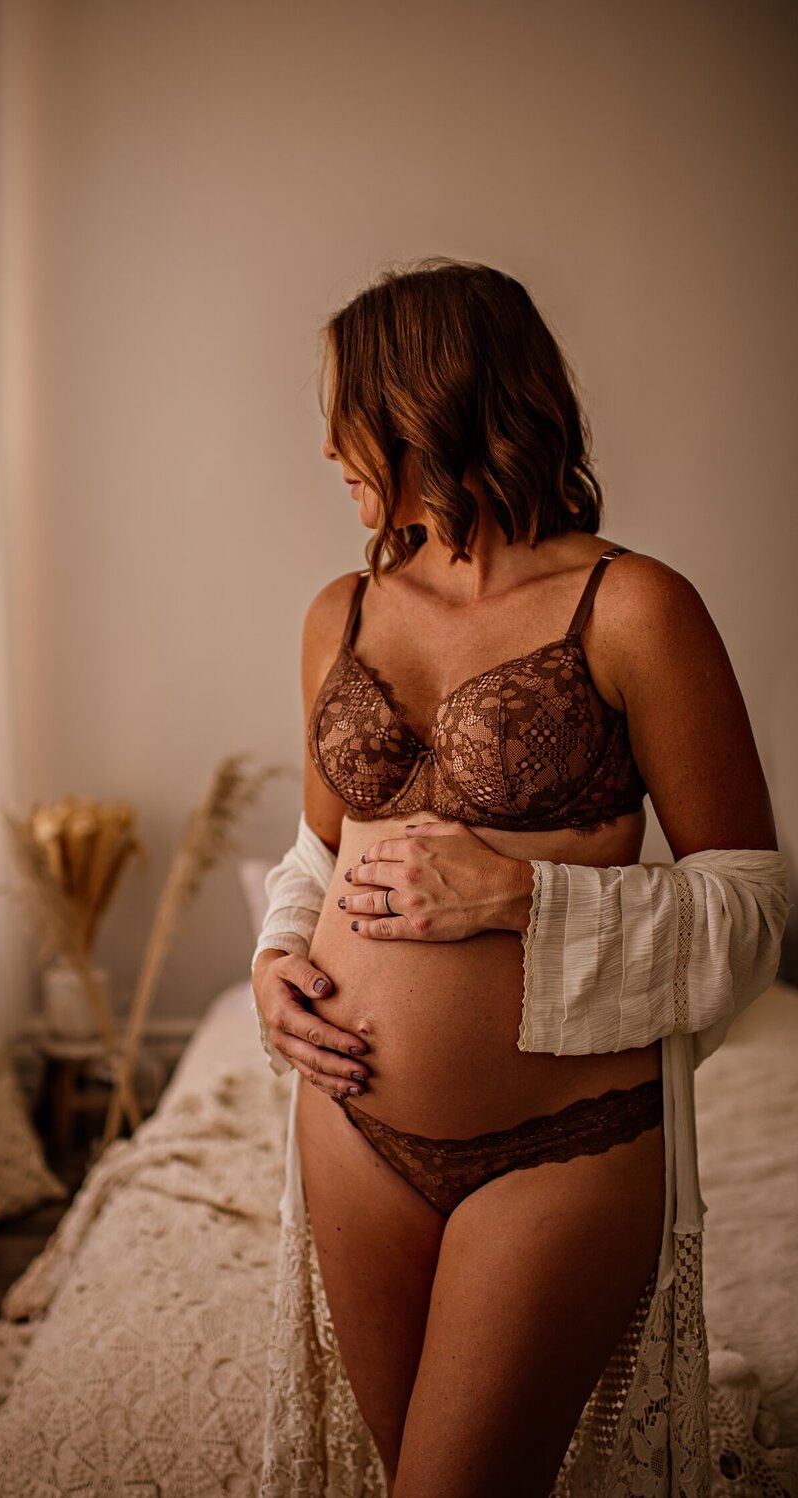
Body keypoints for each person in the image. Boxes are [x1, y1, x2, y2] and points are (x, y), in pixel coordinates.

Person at [250, 258, 788, 1497]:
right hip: (351, 1133)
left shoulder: (635, 607)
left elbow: (752, 907)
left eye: (347, 407)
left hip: (561, 1145)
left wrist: (521, 898)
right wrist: (280, 957)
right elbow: (317, 851)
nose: (326, 442)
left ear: (429, 403)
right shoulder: (338, 612)